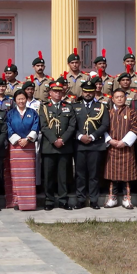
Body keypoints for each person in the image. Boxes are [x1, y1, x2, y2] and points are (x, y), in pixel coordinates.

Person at [72, 81, 110, 210]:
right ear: (82, 92)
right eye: (86, 91)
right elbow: (72, 125)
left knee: (94, 175)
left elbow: (105, 124)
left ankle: (94, 200)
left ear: (95, 92)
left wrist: (92, 136)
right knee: (80, 174)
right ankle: (80, 200)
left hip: (96, 144)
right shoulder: (75, 106)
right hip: (79, 145)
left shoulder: (102, 106)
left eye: (90, 91)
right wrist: (80, 136)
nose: (88, 94)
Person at [39, 81, 76, 211]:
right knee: (48, 176)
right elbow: (43, 126)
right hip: (49, 147)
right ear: (50, 93)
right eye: (55, 91)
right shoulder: (44, 107)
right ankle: (49, 201)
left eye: (60, 91)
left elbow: (72, 126)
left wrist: (63, 139)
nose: (58, 93)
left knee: (63, 176)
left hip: (64, 147)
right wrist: (54, 140)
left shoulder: (68, 107)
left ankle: (63, 200)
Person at [4, 89, 39, 211]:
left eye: (23, 98)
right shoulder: (10, 113)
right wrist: (18, 139)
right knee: (15, 175)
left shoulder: (33, 112)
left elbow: (36, 126)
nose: (21, 101)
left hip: (28, 147)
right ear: (15, 100)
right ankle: (16, 201)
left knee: (28, 176)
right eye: (18, 99)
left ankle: (29, 203)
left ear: (26, 99)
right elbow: (8, 127)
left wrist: (28, 139)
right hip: (15, 147)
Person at [104, 89, 137, 209]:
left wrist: (124, 142)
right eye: (117, 97)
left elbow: (135, 128)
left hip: (126, 148)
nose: (119, 99)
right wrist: (110, 140)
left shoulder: (131, 112)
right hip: (112, 148)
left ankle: (126, 198)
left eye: (121, 97)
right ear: (112, 99)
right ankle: (112, 197)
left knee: (126, 174)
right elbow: (104, 128)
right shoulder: (108, 113)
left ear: (125, 98)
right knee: (113, 174)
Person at [22, 78, 42, 186]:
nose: (30, 91)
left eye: (32, 89)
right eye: (28, 89)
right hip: (22, 136)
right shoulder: (19, 102)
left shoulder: (38, 103)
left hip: (35, 134)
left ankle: (36, 183)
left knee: (36, 159)